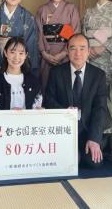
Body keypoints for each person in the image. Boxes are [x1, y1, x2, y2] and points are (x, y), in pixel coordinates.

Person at [45, 34, 107, 167]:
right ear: (67, 51)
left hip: (86, 131)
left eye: (82, 48)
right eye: (73, 48)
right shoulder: (56, 72)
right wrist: (64, 112)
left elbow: (100, 109)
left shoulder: (99, 75)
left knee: (94, 163)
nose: (77, 53)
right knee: (63, 162)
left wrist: (94, 139)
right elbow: (48, 100)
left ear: (89, 51)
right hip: (62, 130)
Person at [36, 0, 81, 91]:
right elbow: (39, 33)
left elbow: (75, 34)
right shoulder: (42, 10)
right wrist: (44, 54)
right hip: (47, 57)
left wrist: (64, 53)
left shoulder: (71, 9)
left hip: (66, 57)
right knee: (46, 88)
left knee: (64, 89)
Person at [0, 37, 42, 110]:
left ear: (26, 55)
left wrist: (38, 110)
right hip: (3, 121)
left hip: (28, 121)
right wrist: (11, 114)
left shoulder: (33, 80)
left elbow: (36, 106)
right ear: (5, 53)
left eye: (21, 53)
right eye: (12, 52)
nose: (16, 57)